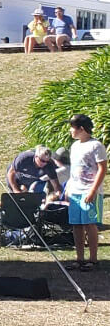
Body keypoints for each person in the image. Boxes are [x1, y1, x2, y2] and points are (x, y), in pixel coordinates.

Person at [66, 114, 107, 271]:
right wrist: (69, 186)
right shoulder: (75, 146)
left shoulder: (96, 146)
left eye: (72, 127)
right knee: (76, 225)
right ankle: (79, 258)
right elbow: (74, 169)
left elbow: (102, 168)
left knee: (89, 224)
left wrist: (93, 190)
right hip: (75, 190)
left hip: (89, 191)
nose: (71, 131)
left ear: (81, 129)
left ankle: (93, 259)